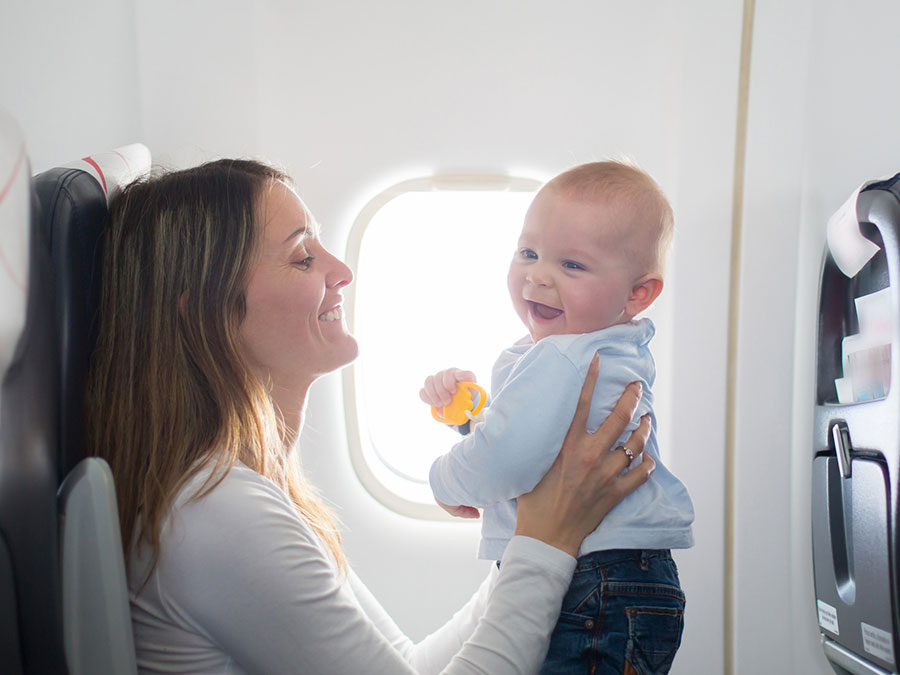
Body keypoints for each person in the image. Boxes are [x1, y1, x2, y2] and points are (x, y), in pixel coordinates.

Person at [85, 158, 658, 674]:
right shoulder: (216, 512)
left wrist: (540, 532)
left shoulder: (254, 491)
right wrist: (546, 540)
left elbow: (409, 666)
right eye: (303, 256)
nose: (341, 270)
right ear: (206, 311)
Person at [420, 160, 695, 674]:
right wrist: (470, 418)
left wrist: (444, 481)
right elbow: (540, 442)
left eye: (572, 265)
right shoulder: (600, 348)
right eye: (529, 252)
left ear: (638, 293)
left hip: (593, 582)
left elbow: (508, 460)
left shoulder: (562, 357)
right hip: (624, 579)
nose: (537, 275)